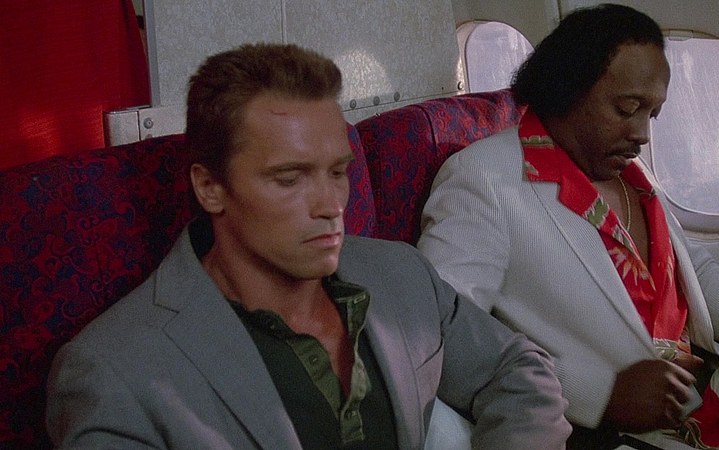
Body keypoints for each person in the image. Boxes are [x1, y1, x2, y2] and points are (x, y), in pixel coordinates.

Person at [45, 43, 572, 449]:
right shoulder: (115, 370)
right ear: (210, 188)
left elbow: (520, 370)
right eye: (289, 178)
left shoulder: (401, 272)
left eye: (338, 172)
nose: (330, 204)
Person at [417, 4, 719, 450]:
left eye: (651, 114)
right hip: (615, 427)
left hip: (703, 389)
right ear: (565, 89)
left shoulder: (633, 175)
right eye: (626, 108)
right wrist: (602, 394)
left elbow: (694, 272)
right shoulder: (483, 179)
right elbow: (442, 333)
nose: (642, 134)